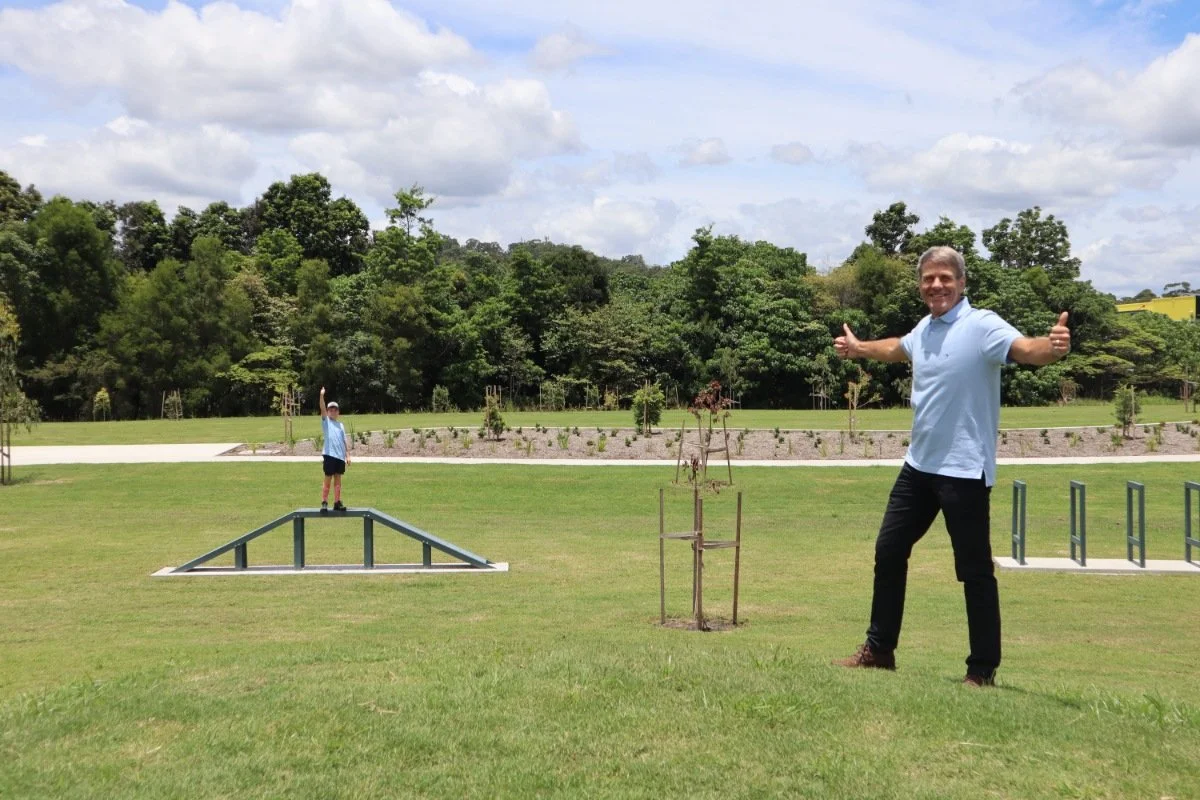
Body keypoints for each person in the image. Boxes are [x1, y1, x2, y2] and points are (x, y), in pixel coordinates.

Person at [832, 245, 1071, 687]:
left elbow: (1025, 349)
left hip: (965, 470)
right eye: (928, 278)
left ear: (962, 283)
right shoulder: (926, 328)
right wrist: (860, 347)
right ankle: (879, 651)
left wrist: (1052, 349)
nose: (936, 285)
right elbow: (897, 349)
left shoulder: (982, 325)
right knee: (888, 551)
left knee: (974, 569)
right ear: (921, 285)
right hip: (919, 467)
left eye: (945, 278)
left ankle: (981, 670)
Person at [319, 386, 350, 512]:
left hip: (340, 456)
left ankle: (337, 501)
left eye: (335, 409)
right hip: (329, 454)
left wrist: (348, 455)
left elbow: (344, 441)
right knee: (328, 477)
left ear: (338, 412)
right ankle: (324, 501)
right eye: (330, 409)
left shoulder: (341, 425)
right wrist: (321, 395)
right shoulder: (326, 421)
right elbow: (321, 407)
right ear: (327, 411)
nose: (332, 411)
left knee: (338, 479)